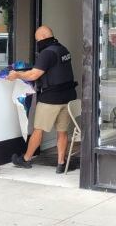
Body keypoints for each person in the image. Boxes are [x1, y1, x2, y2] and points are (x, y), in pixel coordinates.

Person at [8, 26, 77, 174]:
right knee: (62, 131)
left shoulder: (47, 53)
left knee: (38, 130)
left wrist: (17, 75)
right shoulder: (63, 50)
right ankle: (61, 163)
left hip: (51, 99)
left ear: (44, 36)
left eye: (38, 39)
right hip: (68, 97)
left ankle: (25, 159)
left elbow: (34, 75)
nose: (37, 42)